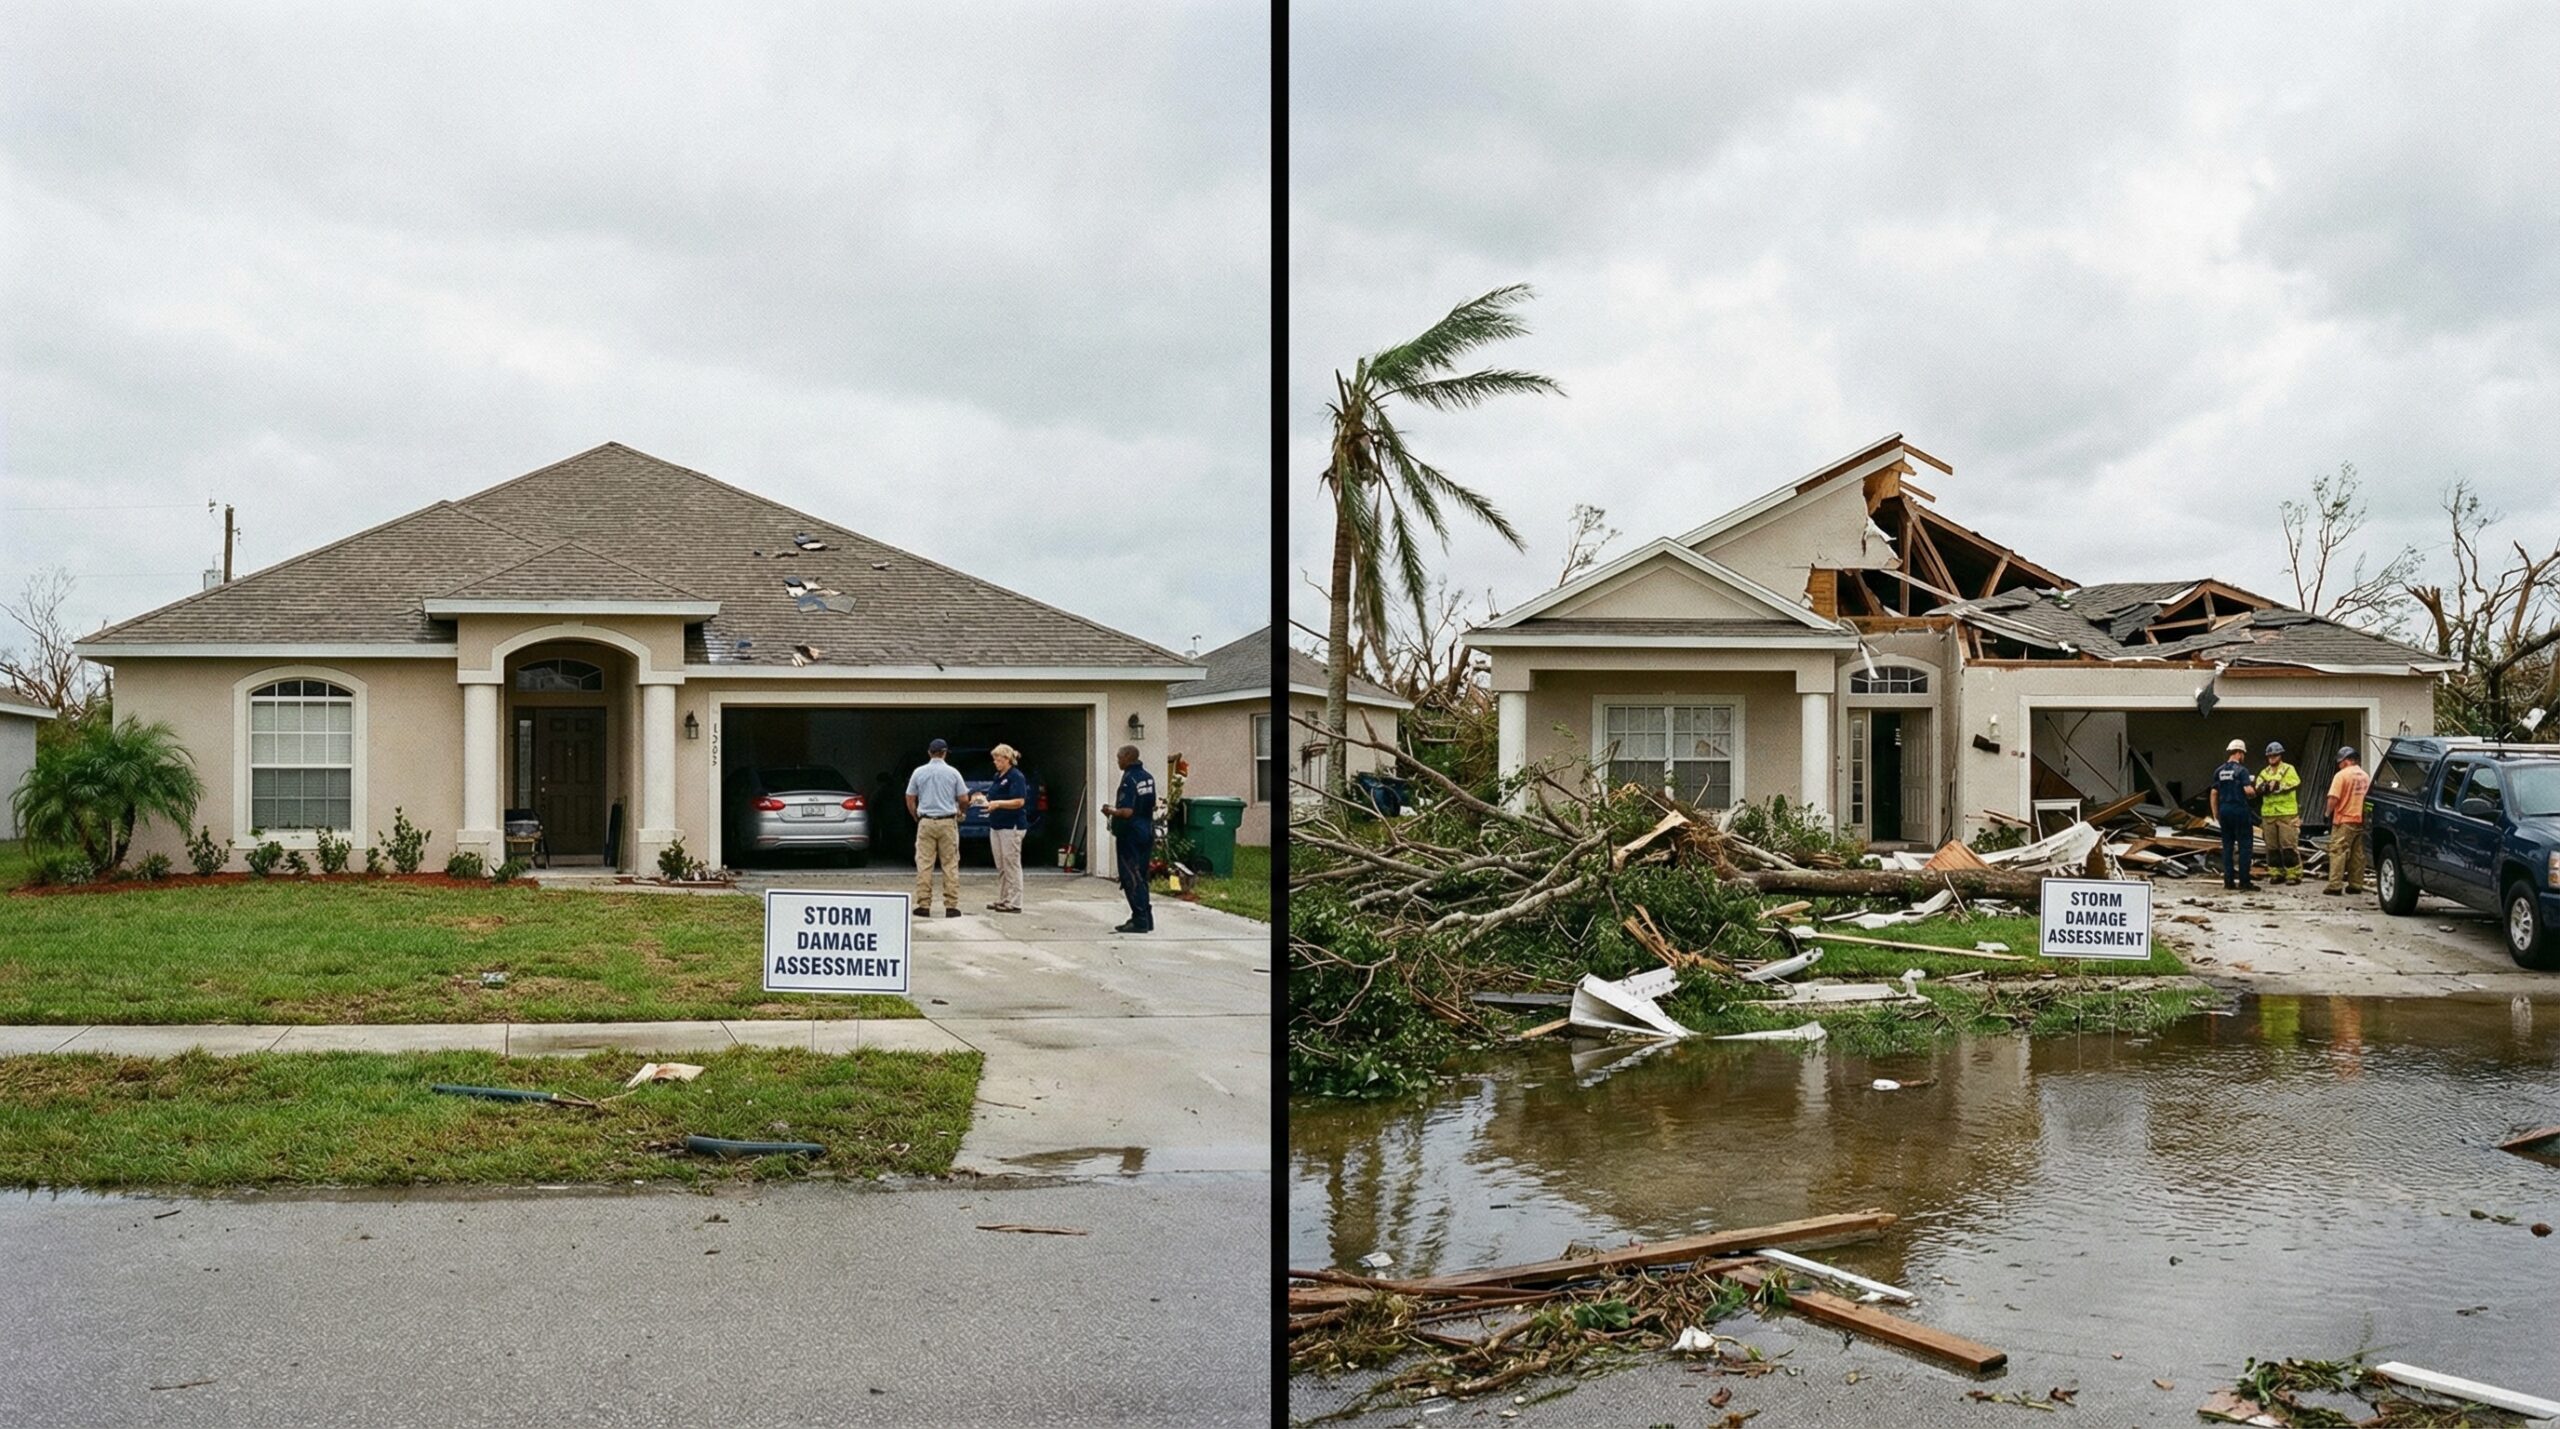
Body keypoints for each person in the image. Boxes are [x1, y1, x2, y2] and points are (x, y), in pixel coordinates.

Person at [905, 738, 968, 918]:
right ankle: (951, 906)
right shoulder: (953, 773)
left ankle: (924, 904)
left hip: (926, 821)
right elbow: (964, 798)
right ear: (945, 752)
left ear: (929, 752)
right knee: (950, 863)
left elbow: (910, 797)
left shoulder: (919, 772)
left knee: (924, 864)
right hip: (948, 822)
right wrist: (960, 812)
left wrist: (916, 816)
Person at [1101, 743, 1157, 934]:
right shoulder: (1148, 778)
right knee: (1142, 875)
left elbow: (1126, 811)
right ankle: (1147, 917)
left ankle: (1139, 919)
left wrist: (1110, 811)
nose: (1118, 761)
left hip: (1130, 833)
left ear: (1127, 757)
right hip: (1147, 829)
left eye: (1119, 758)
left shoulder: (1129, 780)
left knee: (1130, 876)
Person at [978, 743, 1031, 914]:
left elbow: (1019, 801)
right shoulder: (998, 777)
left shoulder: (1016, 777)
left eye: (998, 759)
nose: (995, 762)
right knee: (1001, 864)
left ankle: (1015, 902)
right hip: (997, 824)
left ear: (1007, 759)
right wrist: (982, 800)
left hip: (1012, 825)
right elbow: (992, 795)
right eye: (994, 759)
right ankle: (1004, 898)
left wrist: (998, 804)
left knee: (1012, 863)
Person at [2212, 738, 2261, 891]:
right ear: (2239, 753)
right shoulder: (2242, 771)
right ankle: (2244, 882)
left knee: (2227, 847)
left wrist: (2216, 814)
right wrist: (2256, 791)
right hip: (2239, 810)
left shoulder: (2219, 771)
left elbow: (2213, 793)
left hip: (2225, 811)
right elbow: (2248, 791)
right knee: (2245, 846)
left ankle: (2228, 882)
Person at [2324, 746, 2372, 896]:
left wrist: (2327, 814)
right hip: (2361, 819)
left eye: (2340, 762)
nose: (2339, 765)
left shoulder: (2341, 775)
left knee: (2338, 851)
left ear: (2346, 760)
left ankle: (2335, 885)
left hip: (2344, 819)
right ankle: (2356, 884)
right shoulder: (2365, 776)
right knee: (2358, 854)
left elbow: (2333, 798)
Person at [2258, 740, 2304, 886]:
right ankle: (2276, 873)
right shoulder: (2264, 773)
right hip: (2269, 815)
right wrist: (2264, 787)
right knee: (2272, 847)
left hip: (2287, 814)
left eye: (2275, 755)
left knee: (2288, 846)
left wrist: (2278, 785)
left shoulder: (2288, 769)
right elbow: (2258, 787)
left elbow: (2295, 782)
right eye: (2270, 756)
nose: (2272, 758)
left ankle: (2293, 875)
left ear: (2280, 755)